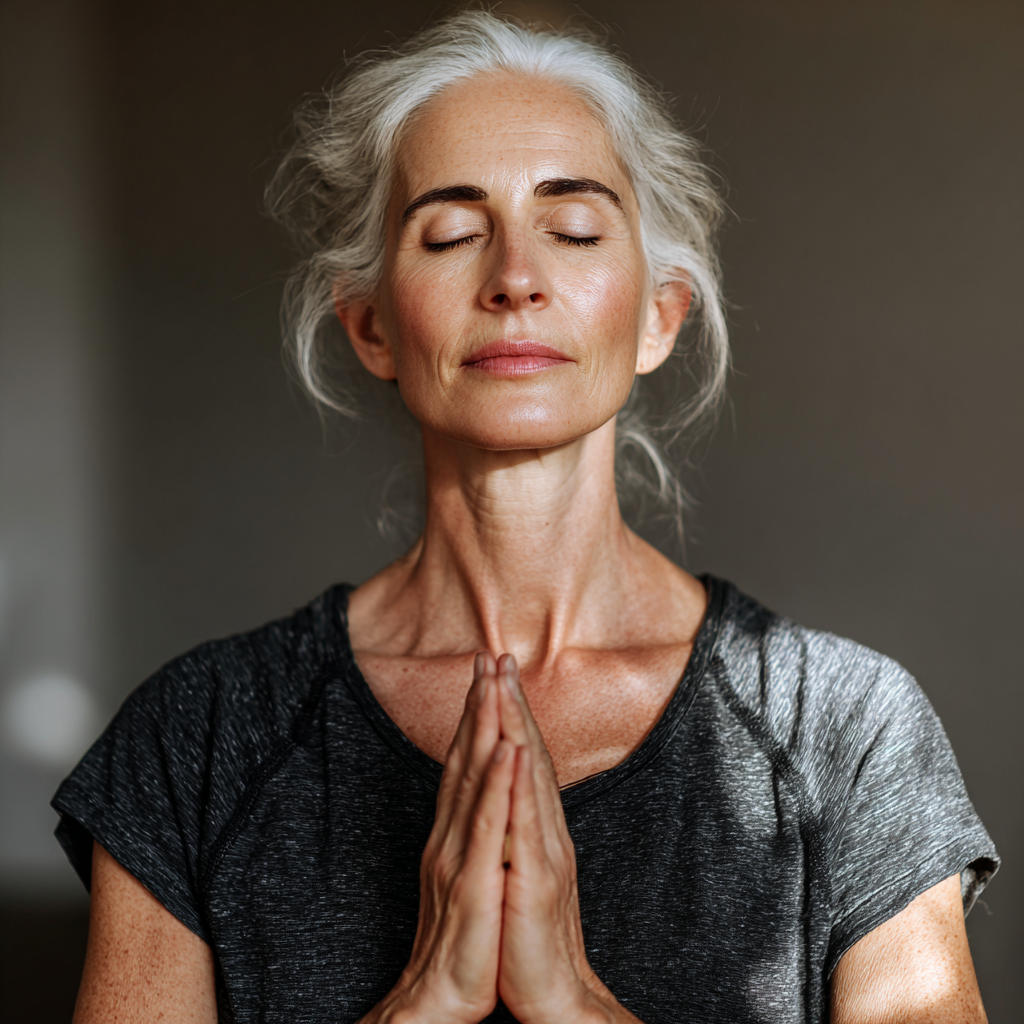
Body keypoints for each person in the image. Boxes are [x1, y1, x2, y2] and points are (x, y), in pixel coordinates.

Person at [53, 12, 998, 1024]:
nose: (513, 278)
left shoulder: (846, 731)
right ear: (371, 325)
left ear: (659, 315)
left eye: (574, 230)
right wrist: (420, 1003)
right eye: (452, 234)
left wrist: (578, 1006)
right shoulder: (197, 739)